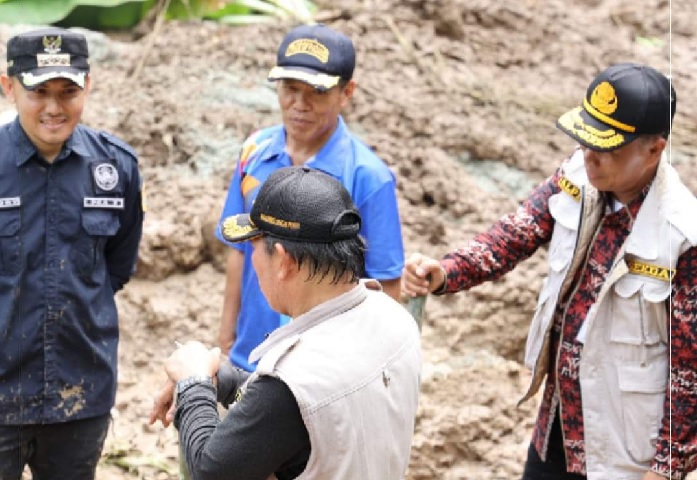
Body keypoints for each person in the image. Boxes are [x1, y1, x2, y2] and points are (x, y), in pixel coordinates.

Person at [402, 63, 697, 480]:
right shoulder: (577, 175)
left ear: (653, 150)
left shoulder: (682, 237)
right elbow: (517, 232)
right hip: (559, 424)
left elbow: (689, 372)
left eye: (606, 147)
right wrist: (447, 270)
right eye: (584, 139)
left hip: (625, 450)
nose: (589, 156)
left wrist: (665, 469)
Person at [151, 166, 421, 479]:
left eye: (253, 247)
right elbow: (292, 418)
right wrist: (221, 379)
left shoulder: (292, 385)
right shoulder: (393, 318)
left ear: (283, 260)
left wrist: (193, 383)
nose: (253, 261)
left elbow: (210, 470)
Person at [215, 23, 404, 371]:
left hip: (322, 372)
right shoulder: (253, 153)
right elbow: (240, 251)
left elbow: (386, 285)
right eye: (289, 89)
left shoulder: (367, 177)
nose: (299, 104)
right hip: (249, 358)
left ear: (346, 92)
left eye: (316, 91)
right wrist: (226, 340)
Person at [0, 28, 144, 479]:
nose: (54, 107)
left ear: (88, 85)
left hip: (80, 393)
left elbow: (116, 268)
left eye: (68, 91)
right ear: (8, 86)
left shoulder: (116, 167)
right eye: (38, 91)